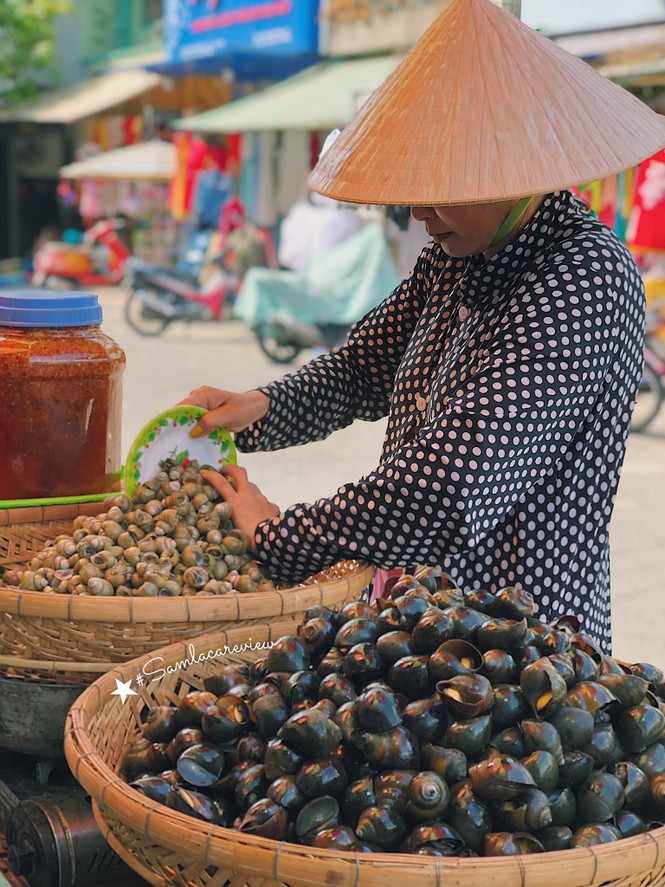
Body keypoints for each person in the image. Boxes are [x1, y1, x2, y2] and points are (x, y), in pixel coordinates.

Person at [178, 0, 665, 651]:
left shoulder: (582, 275)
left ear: (511, 166)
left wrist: (278, 535)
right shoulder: (454, 255)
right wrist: (259, 407)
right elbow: (361, 368)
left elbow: (446, 488)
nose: (416, 211)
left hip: (521, 644)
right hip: (428, 620)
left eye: (441, 185)